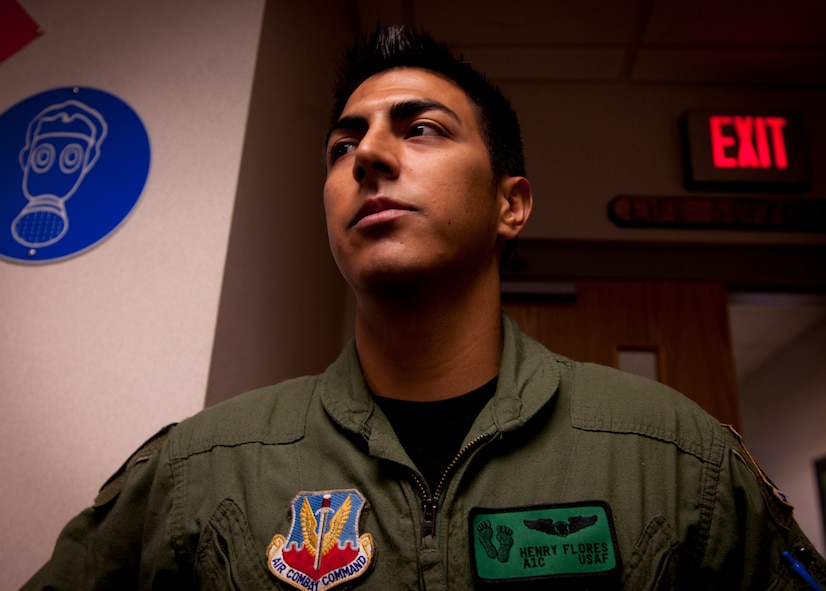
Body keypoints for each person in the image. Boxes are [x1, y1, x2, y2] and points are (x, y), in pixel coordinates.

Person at [23, 25, 826, 591]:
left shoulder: (672, 454)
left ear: (512, 205)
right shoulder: (201, 471)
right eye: (343, 146)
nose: (367, 154)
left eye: (422, 129)